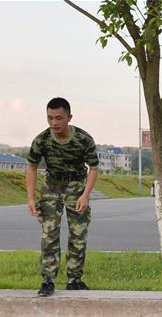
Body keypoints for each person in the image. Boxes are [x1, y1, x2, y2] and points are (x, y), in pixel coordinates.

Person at [26, 97, 98, 297]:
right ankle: (48, 280)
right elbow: (31, 167)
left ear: (69, 117)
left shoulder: (83, 139)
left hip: (77, 186)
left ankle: (74, 279)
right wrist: (31, 198)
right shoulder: (42, 140)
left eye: (59, 118)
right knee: (49, 234)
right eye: (50, 118)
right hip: (52, 187)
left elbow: (94, 168)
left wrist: (85, 195)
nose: (54, 123)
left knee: (78, 234)